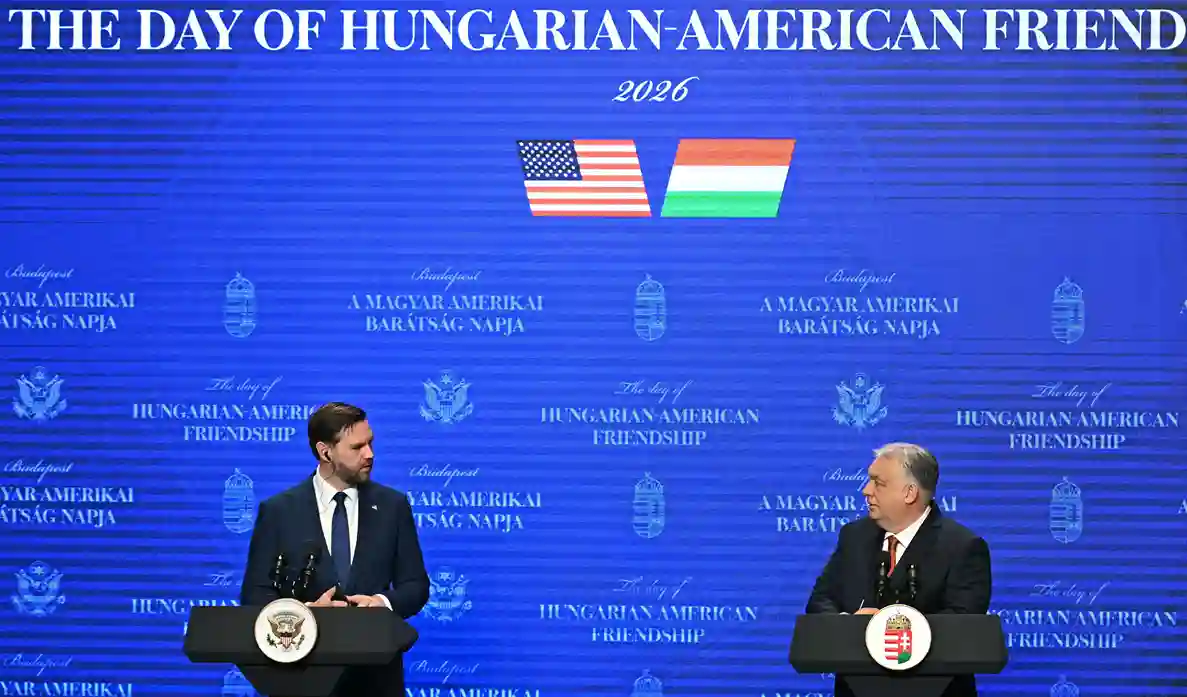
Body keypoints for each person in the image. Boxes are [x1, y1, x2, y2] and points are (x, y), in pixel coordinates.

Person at [240, 402, 430, 697]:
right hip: (301, 679)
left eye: (370, 443)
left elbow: (415, 586)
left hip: (376, 680)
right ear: (325, 451)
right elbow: (255, 595)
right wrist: (303, 615)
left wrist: (381, 603)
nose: (370, 454)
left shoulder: (393, 506)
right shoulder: (279, 512)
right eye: (357, 447)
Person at [805, 443, 991, 697]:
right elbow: (820, 601)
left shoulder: (963, 547)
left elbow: (963, 625)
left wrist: (883, 627)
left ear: (909, 493)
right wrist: (849, 625)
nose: (866, 490)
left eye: (878, 483)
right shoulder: (854, 536)